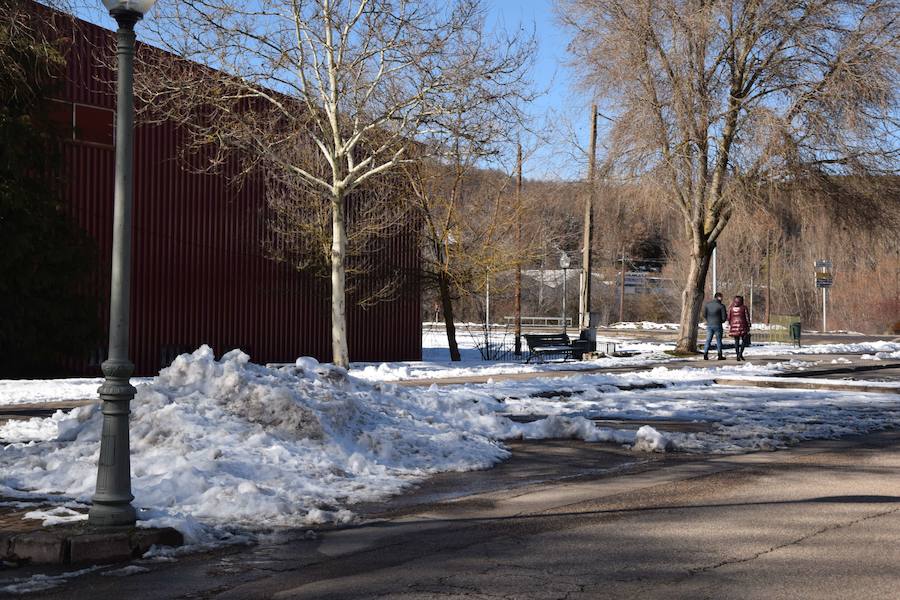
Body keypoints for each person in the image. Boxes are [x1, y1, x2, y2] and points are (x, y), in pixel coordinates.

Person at [702, 292, 727, 360]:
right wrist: (720, 321)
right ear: (719, 297)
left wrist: (708, 320)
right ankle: (719, 355)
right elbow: (724, 317)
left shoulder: (707, 305)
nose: (722, 298)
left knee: (708, 340)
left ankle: (705, 354)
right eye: (721, 297)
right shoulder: (721, 306)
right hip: (718, 325)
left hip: (709, 324)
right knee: (719, 340)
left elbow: (704, 315)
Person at [727, 295, 751, 361]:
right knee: (744, 341)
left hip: (734, 326)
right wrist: (749, 325)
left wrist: (730, 324)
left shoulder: (731, 308)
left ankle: (738, 355)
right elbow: (747, 317)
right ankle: (740, 354)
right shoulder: (744, 307)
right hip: (743, 326)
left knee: (736, 341)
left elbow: (729, 318)